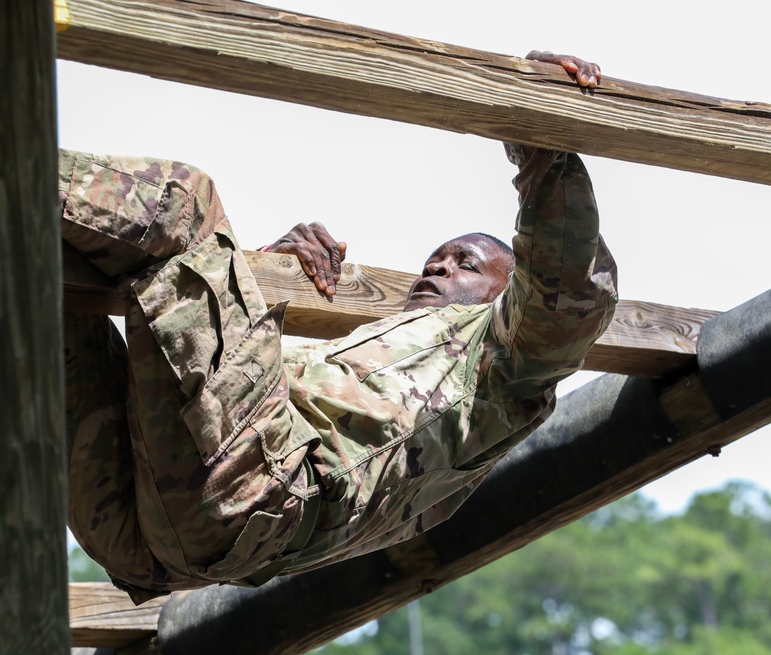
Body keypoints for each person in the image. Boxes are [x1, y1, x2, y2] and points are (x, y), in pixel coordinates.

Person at [62, 52, 615, 604]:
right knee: (58, 282)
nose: (437, 267)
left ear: (507, 295)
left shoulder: (499, 371)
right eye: (434, 260)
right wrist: (250, 275)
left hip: (250, 499)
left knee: (183, 204)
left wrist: (541, 130)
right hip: (141, 529)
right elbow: (204, 388)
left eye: (465, 264)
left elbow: (564, 289)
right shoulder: (365, 362)